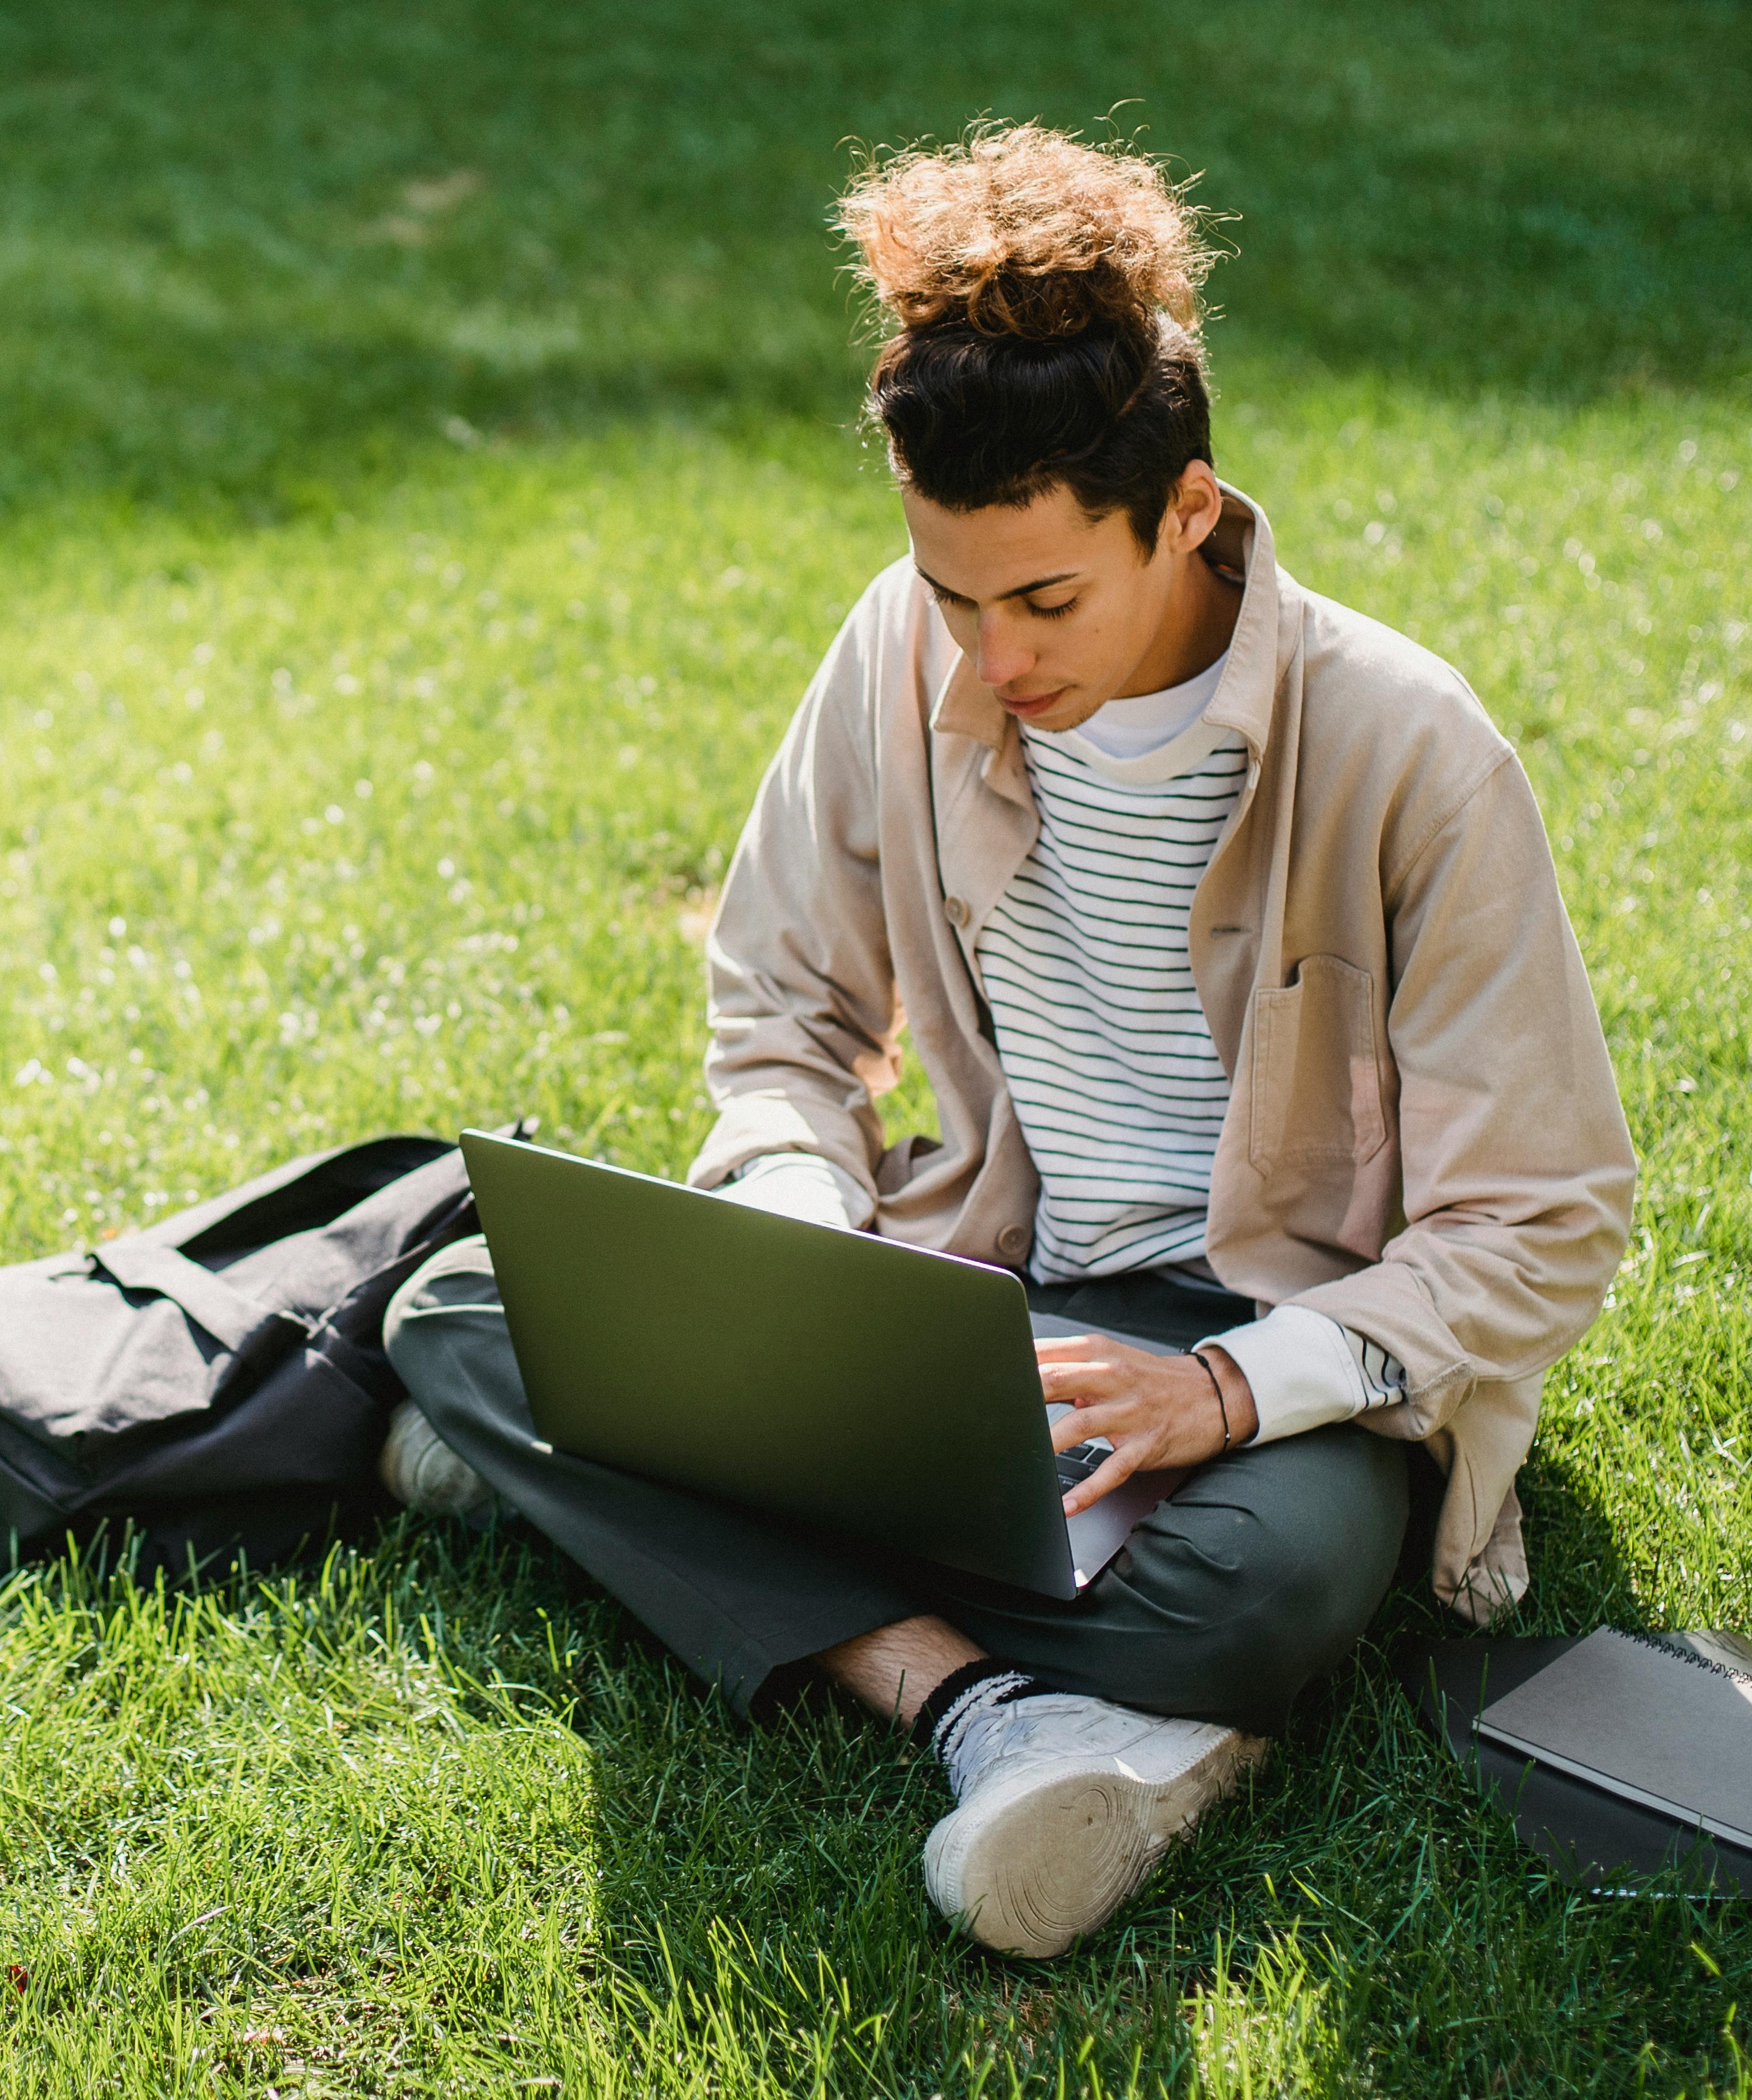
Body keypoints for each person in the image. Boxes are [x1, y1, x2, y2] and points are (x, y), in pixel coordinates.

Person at [374, 122, 1636, 1959]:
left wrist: (1223, 1392)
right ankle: (988, 1710)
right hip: (972, 1288)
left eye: (1044, 600)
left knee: (1264, 1593)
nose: (985, 660)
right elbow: (783, 1007)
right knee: (462, 1310)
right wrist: (805, 1214)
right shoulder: (901, 645)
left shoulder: (1410, 752)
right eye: (950, 593)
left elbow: (1544, 1220)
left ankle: (614, 1504)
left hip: (1263, 1347)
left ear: (1187, 512)